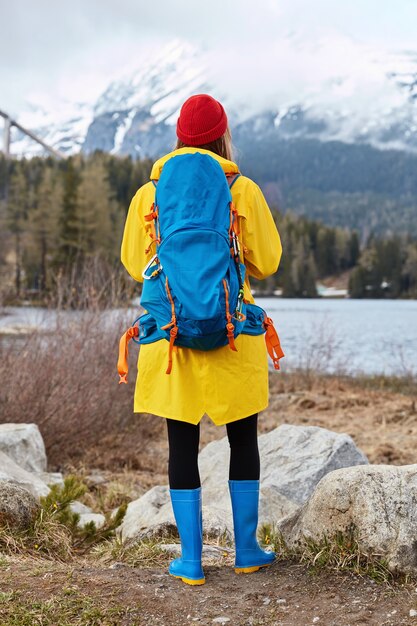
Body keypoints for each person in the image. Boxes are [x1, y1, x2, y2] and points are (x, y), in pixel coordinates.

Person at [120, 94, 282, 586]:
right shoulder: (241, 188)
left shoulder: (150, 194)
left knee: (181, 443)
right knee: (243, 440)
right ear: (222, 135)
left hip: (171, 338)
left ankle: (191, 560)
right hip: (232, 332)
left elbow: (134, 263)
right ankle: (247, 549)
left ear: (178, 137)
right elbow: (268, 261)